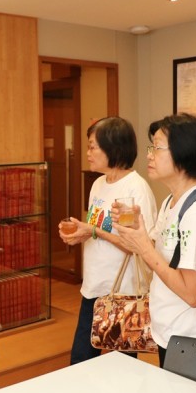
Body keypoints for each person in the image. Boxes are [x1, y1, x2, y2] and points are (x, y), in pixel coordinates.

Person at [113, 113, 196, 367]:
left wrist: (144, 247)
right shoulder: (171, 201)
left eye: (157, 147)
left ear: (183, 152)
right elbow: (157, 265)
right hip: (172, 332)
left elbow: (193, 294)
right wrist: (140, 235)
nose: (149, 154)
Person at [59, 117, 157, 364]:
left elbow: (137, 246)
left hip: (123, 293)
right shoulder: (98, 184)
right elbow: (97, 228)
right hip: (93, 287)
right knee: (80, 362)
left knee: (121, 366)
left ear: (113, 148)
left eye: (93, 147)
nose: (88, 153)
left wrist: (93, 232)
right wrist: (80, 233)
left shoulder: (135, 189)